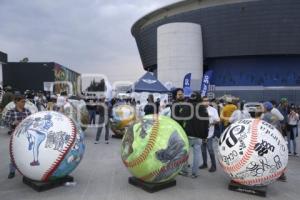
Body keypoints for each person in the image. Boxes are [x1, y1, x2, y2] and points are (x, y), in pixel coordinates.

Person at [178, 91, 209, 178]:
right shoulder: (203, 108)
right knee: (197, 154)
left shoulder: (187, 107)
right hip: (198, 135)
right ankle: (194, 173)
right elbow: (206, 123)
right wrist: (205, 136)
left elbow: (180, 118)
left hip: (187, 134)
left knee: (185, 153)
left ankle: (184, 171)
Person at [5, 94, 31, 179]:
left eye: (24, 101)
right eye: (22, 101)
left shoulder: (27, 111)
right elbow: (6, 122)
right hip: (15, 137)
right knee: (15, 154)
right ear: (16, 102)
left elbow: (32, 121)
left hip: (26, 136)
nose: (24, 103)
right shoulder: (11, 112)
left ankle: (27, 170)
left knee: (27, 153)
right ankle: (12, 171)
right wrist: (13, 123)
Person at [199, 96, 220, 172]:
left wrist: (211, 123)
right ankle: (205, 163)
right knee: (203, 149)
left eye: (207, 100)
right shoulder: (199, 110)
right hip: (201, 133)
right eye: (204, 100)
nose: (206, 102)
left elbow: (218, 120)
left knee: (210, 149)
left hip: (209, 133)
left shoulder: (213, 110)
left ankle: (214, 165)